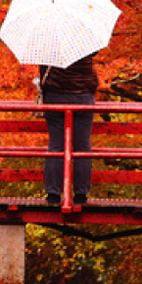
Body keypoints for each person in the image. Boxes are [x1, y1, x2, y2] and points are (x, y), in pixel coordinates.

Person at [39, 52, 98, 205]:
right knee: (82, 146)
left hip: (55, 96)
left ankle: (53, 193)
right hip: (83, 96)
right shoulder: (84, 41)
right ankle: (81, 194)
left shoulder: (48, 43)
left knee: (56, 146)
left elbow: (44, 76)